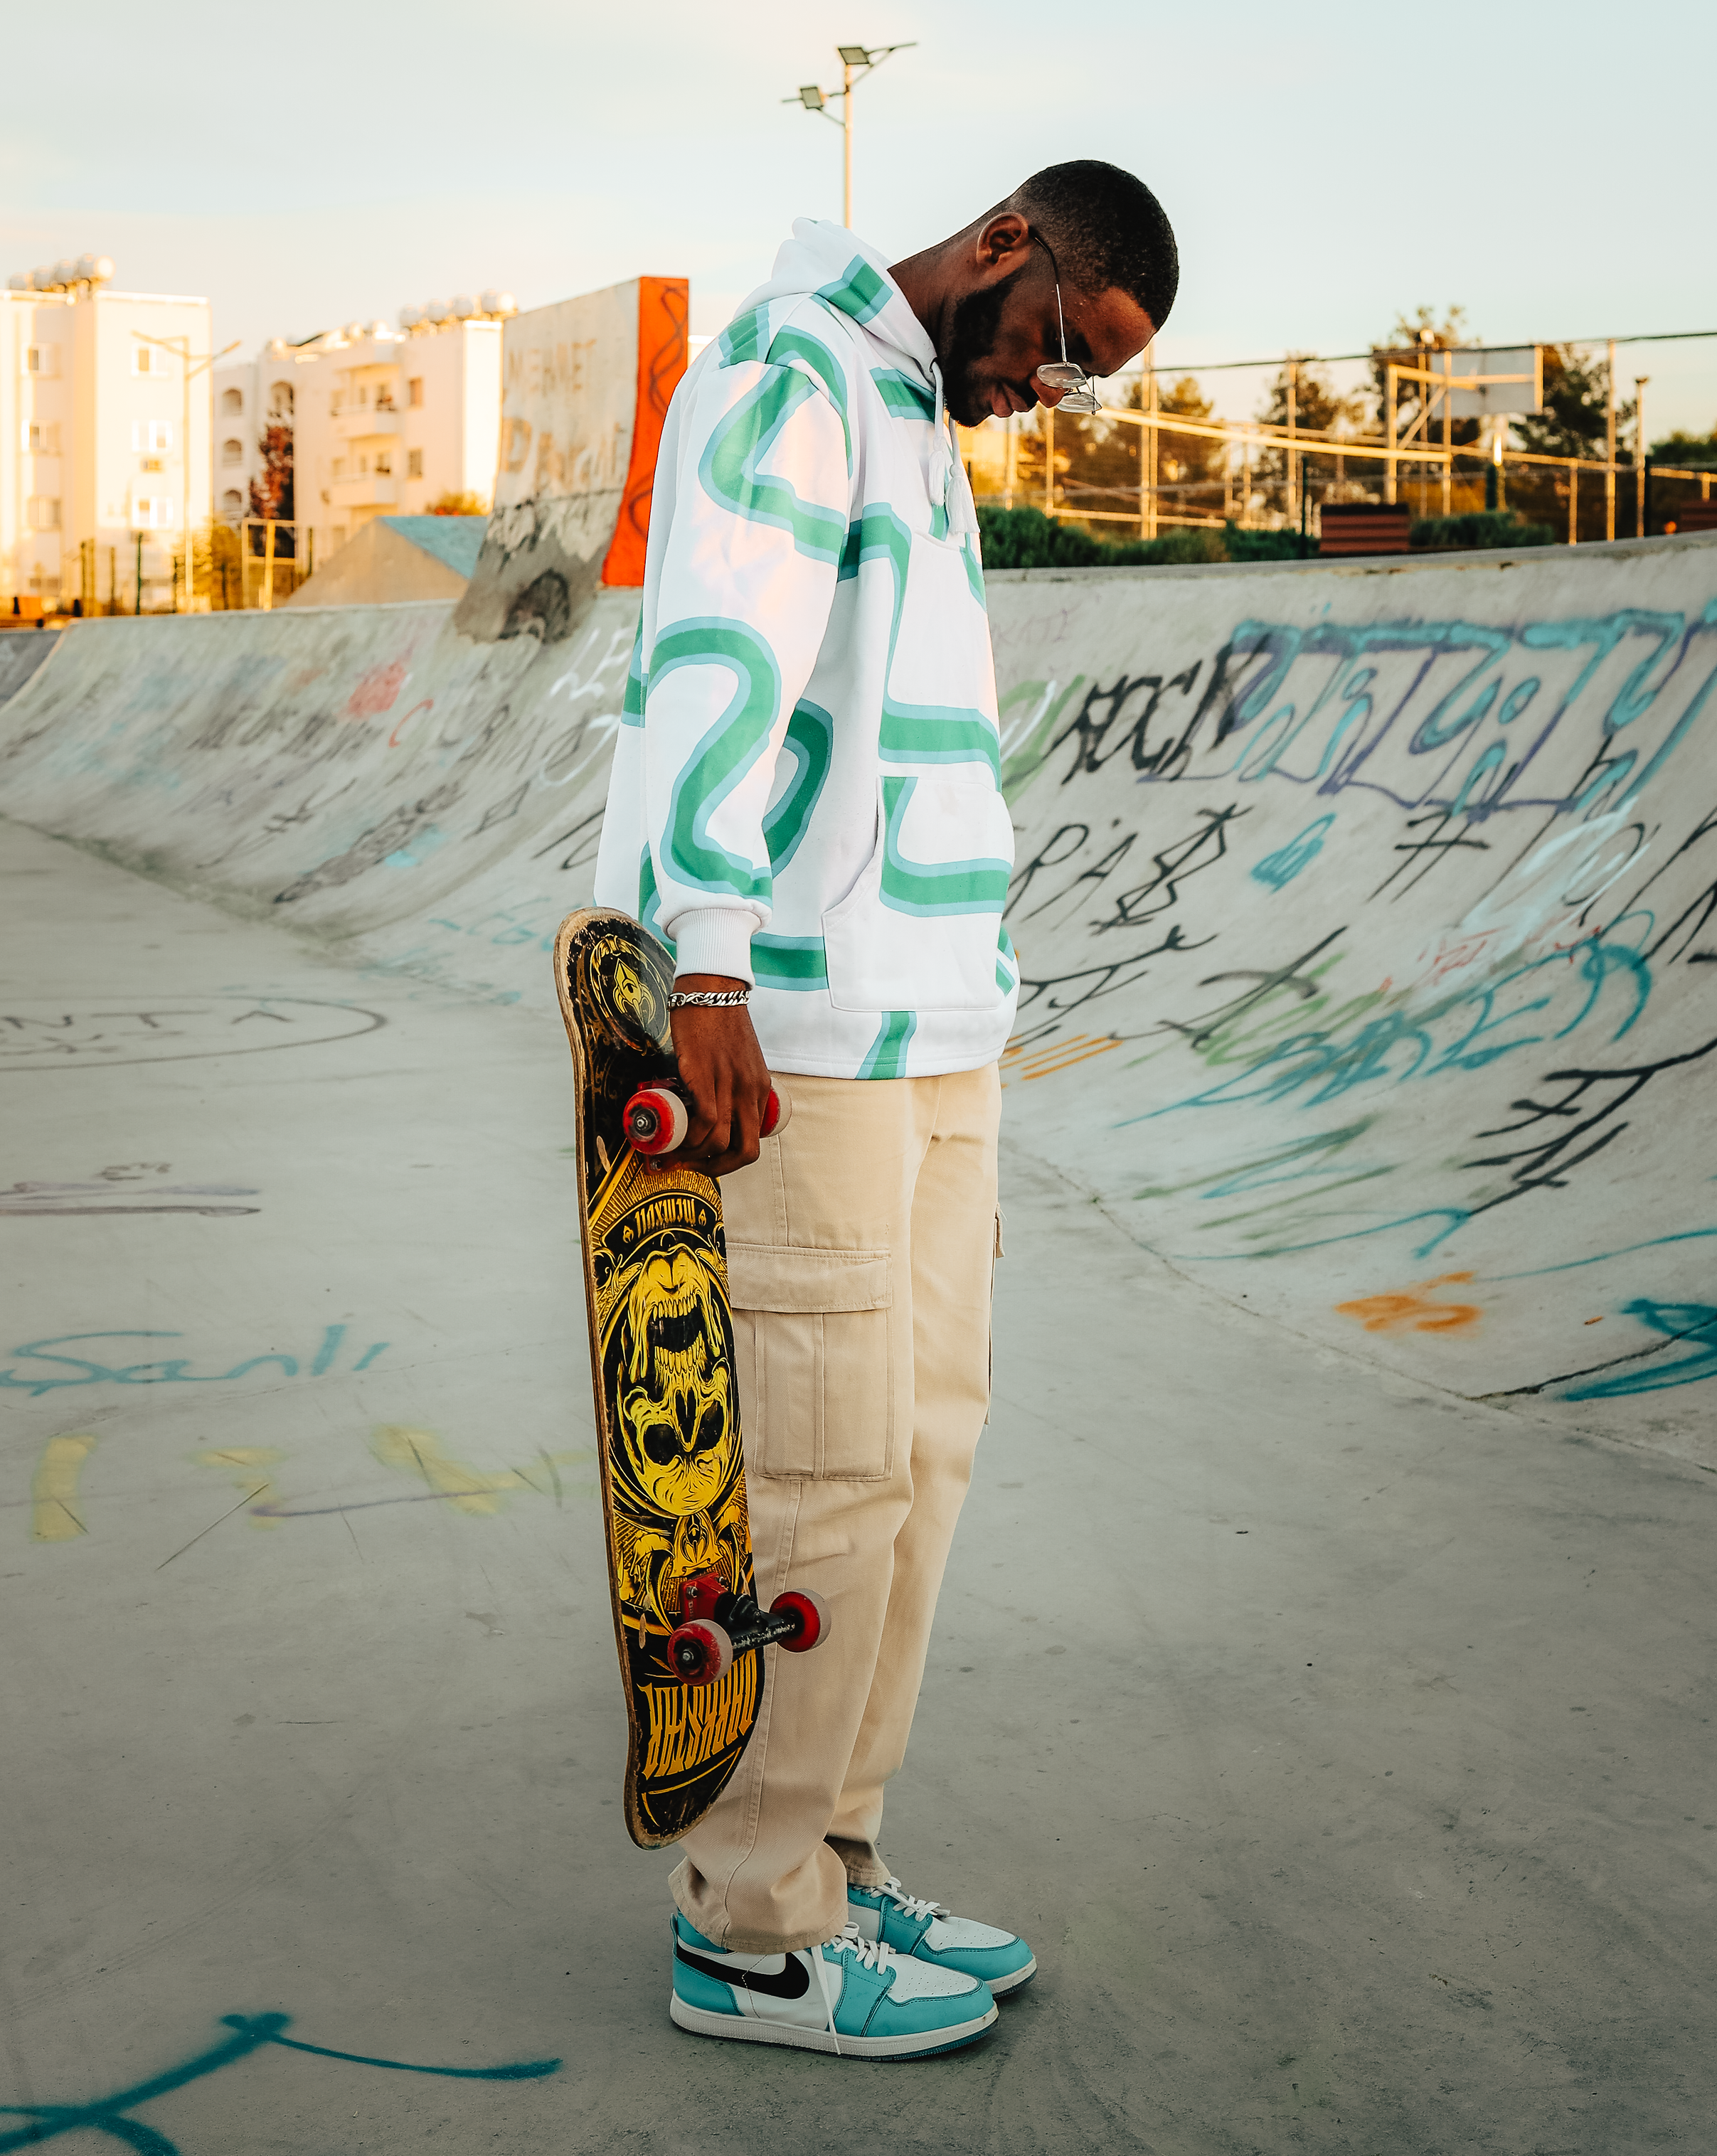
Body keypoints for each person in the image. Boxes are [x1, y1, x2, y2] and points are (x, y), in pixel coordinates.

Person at [592, 159, 1178, 2057]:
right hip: (807, 1027)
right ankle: (750, 1927)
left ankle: (836, 1852)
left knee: (919, 1456)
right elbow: (720, 670)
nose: (1050, 393)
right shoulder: (791, 373)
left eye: (1084, 379)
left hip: (936, 1025)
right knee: (821, 1475)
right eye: (1058, 346)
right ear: (1003, 243)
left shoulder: (921, 423)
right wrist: (709, 967)